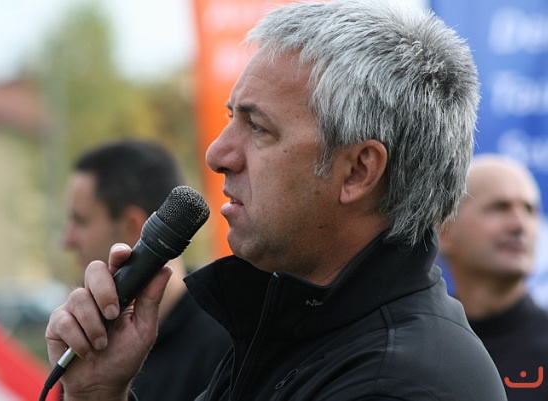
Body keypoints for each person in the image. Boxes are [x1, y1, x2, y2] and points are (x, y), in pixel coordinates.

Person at [45, 1, 508, 400]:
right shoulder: (295, 332)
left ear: (358, 171)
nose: (217, 154)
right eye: (231, 118)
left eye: (258, 127)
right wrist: (98, 393)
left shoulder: (395, 383)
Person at [60, 139, 230, 401]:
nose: (67, 241)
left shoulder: (228, 346)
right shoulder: (90, 343)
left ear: (133, 225)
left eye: (80, 221)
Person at [438, 154, 548, 401]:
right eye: (499, 207)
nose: (519, 225)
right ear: (444, 230)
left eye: (530, 210)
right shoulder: (417, 345)